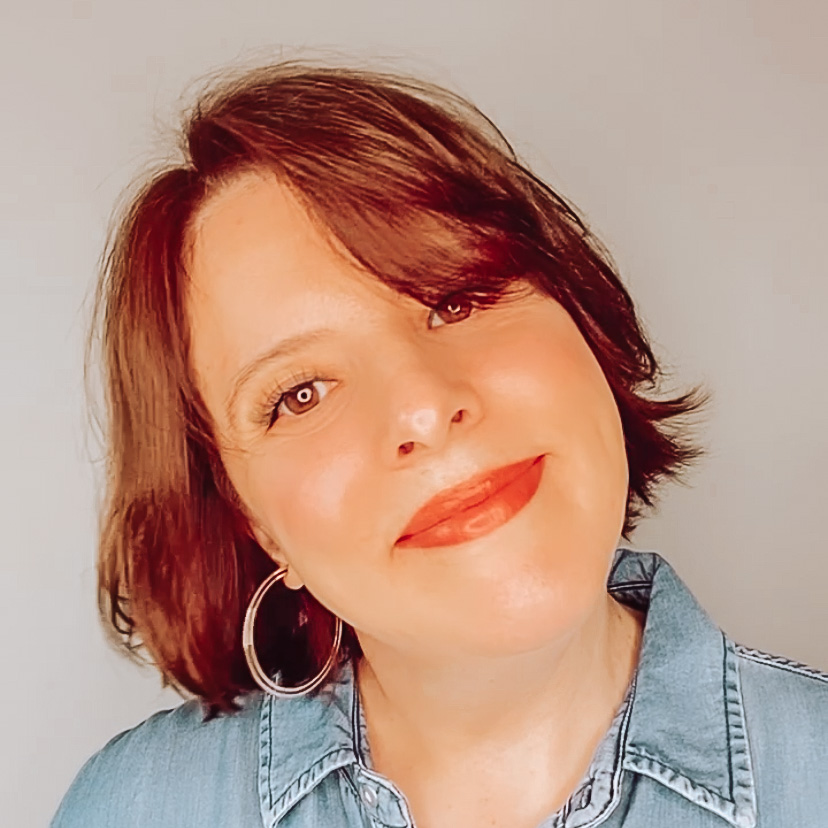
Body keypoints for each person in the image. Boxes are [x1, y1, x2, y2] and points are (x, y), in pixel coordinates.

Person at [52, 62, 828, 828]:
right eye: (302, 393)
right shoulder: (134, 809)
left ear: (581, 315)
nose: (423, 407)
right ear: (252, 521)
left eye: (456, 299)